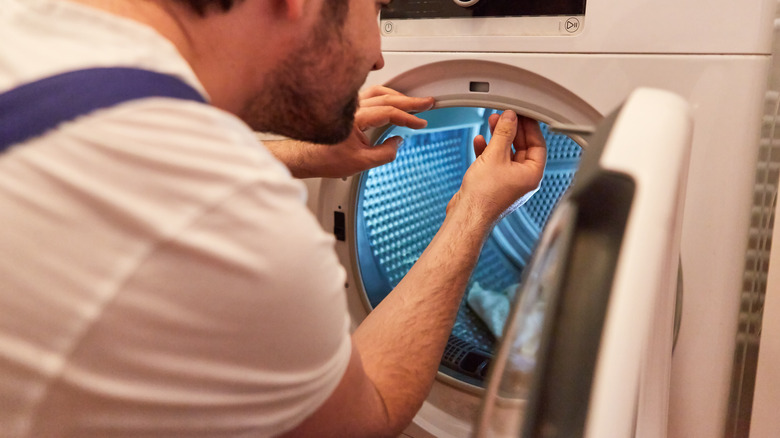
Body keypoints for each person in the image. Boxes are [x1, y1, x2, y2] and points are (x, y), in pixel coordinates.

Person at [0, 0, 547, 437]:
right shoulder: (225, 212)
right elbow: (366, 412)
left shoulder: (31, 35)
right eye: (378, 8)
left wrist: (304, 154)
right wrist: (473, 211)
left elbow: (127, 165)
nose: (380, 56)